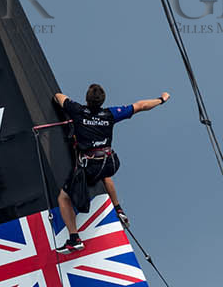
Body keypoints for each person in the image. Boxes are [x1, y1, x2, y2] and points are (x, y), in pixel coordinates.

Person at [53, 83, 170, 250]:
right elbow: (141, 106)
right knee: (103, 173)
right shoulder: (110, 114)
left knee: (63, 198)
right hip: (110, 162)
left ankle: (74, 238)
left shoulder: (77, 110)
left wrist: (59, 98)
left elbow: (58, 96)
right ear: (102, 101)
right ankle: (118, 209)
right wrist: (161, 99)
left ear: (87, 99)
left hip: (90, 165)